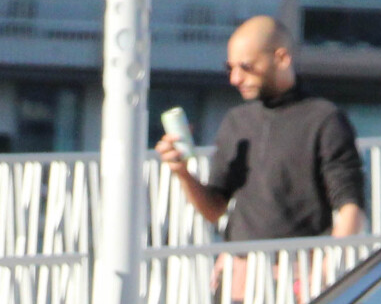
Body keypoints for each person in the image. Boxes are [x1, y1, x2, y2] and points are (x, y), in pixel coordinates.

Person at [155, 16, 367, 244]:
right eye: (230, 68)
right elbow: (215, 208)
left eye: (246, 67)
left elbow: (350, 206)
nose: (235, 79)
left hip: (298, 268)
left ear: (282, 58)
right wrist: (183, 173)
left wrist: (326, 268)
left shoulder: (324, 118)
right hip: (242, 267)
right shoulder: (237, 121)